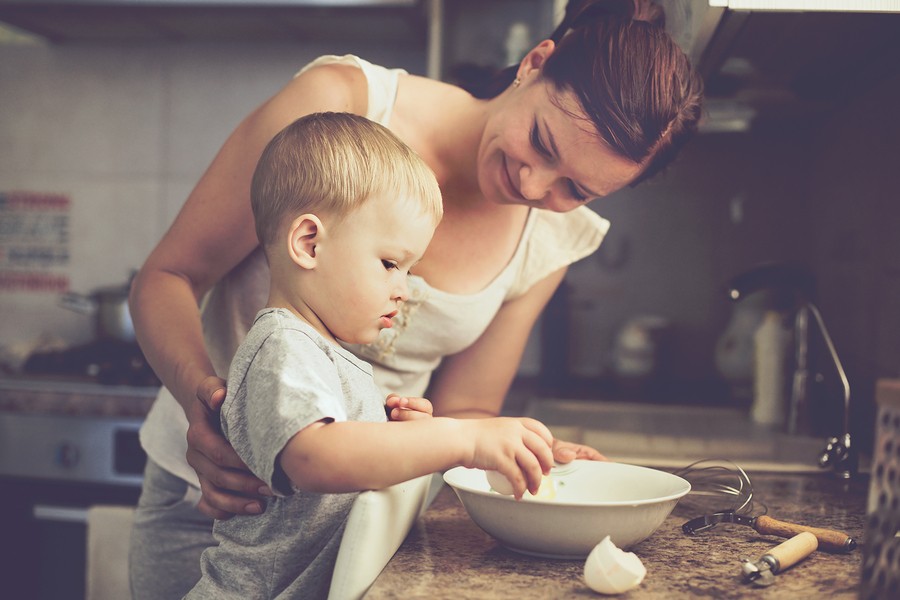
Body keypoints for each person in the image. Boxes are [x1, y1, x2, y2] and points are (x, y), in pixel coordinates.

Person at [128, 0, 703, 597]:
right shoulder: (342, 105)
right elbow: (168, 277)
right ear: (535, 63)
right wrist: (208, 411)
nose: (532, 186)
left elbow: (467, 410)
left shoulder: (553, 237)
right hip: (214, 504)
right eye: (541, 141)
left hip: (349, 534)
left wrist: (518, 451)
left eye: (575, 189)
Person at [182, 111, 555, 599]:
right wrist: (458, 438)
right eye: (390, 263)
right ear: (308, 243)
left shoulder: (325, 354)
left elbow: (343, 452)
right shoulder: (281, 347)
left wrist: (395, 434)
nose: (404, 289)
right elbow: (315, 457)